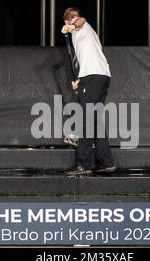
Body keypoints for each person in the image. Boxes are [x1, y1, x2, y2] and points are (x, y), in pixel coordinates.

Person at [61, 7, 116, 175]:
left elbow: (81, 19)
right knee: (94, 120)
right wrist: (80, 79)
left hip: (93, 76)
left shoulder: (81, 25)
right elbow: (86, 59)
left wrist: (71, 25)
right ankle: (106, 162)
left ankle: (83, 164)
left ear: (68, 20)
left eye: (67, 21)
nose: (66, 24)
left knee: (87, 119)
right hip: (101, 76)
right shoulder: (82, 36)